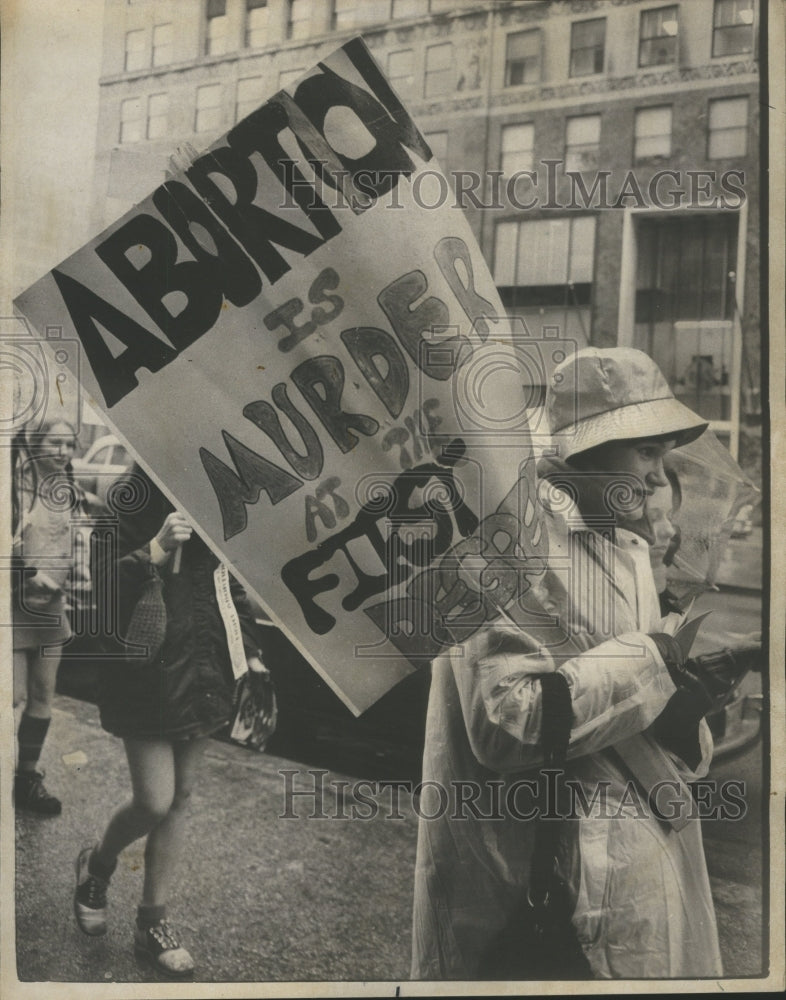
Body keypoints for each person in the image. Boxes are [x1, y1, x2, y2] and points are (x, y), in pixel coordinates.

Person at [411, 347, 744, 980]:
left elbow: (628, 703)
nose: (659, 479)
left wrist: (687, 703)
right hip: (548, 873)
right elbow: (505, 722)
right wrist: (657, 659)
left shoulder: (623, 539)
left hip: (628, 855)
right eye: (646, 452)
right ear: (585, 451)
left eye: (664, 454)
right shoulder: (504, 542)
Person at [72, 465, 265, 979]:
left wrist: (251, 653)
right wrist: (154, 549)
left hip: (203, 668)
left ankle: (151, 923)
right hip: (146, 672)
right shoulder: (130, 495)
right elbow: (100, 593)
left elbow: (227, 590)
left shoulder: (214, 489)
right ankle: (98, 864)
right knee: (153, 800)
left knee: (180, 798)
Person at [12, 418, 85, 815]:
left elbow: (68, 541)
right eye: (55, 442)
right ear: (34, 442)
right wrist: (31, 574)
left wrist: (77, 570)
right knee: (14, 695)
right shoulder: (13, 483)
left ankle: (26, 778)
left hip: (51, 605)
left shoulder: (67, 489)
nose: (63, 451)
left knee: (43, 697)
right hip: (12, 602)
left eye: (69, 444)